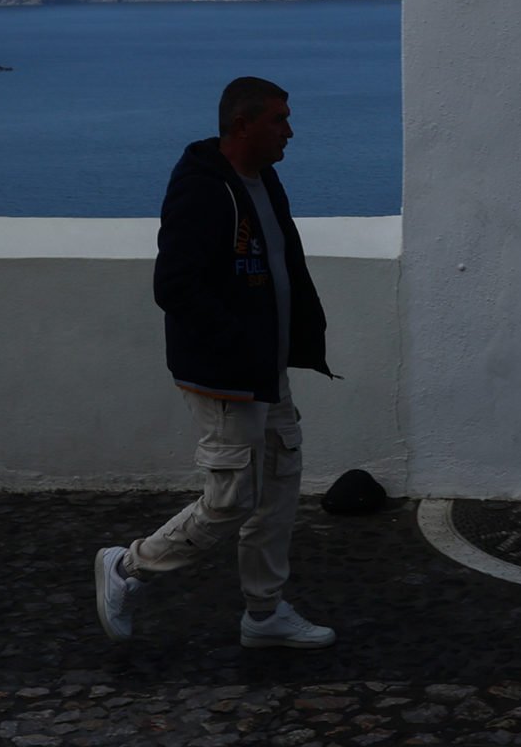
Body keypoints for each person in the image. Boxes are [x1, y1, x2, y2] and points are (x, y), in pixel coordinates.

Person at [94, 76, 339, 648]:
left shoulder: (265, 180)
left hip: (266, 370)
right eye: (279, 119)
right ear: (242, 125)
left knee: (277, 490)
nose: (290, 130)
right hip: (226, 375)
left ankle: (264, 614)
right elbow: (174, 286)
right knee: (232, 499)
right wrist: (237, 343)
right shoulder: (201, 190)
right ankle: (127, 567)